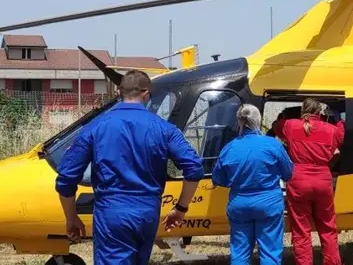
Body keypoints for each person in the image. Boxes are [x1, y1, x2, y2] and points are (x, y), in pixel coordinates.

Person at [55, 70, 205, 264]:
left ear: (119, 92)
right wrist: (181, 208)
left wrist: (71, 216)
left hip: (112, 213)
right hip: (148, 213)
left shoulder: (95, 127)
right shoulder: (164, 129)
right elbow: (193, 168)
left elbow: (66, 178)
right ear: (146, 94)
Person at [212, 104, 295, 265]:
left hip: (239, 204)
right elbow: (288, 173)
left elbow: (218, 179)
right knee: (270, 253)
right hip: (269, 203)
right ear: (258, 120)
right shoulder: (272, 145)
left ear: (239, 122)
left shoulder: (229, 148)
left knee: (239, 253)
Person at [281, 98, 345, 265]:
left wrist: (289, 115)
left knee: (301, 230)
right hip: (323, 180)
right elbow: (341, 132)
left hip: (298, 181)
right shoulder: (331, 130)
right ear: (320, 112)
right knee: (328, 228)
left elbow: (276, 125)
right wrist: (336, 117)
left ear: (303, 111)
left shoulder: (290, 125)